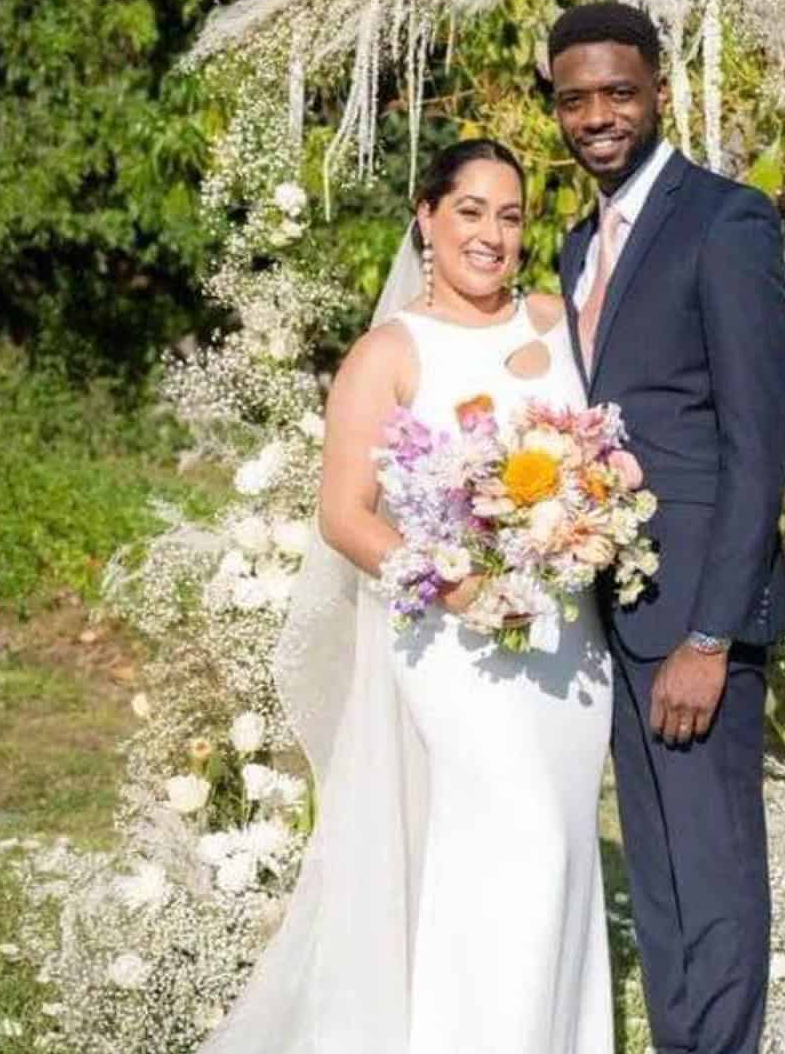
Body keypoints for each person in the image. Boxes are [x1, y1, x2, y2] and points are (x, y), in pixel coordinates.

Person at [197, 139, 616, 1053]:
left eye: (510, 216)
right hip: (454, 643)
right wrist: (454, 582)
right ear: (426, 218)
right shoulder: (388, 353)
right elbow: (344, 516)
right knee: (520, 844)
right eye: (469, 211)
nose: (491, 234)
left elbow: (602, 451)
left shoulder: (558, 322)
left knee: (561, 853)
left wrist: (589, 512)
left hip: (567, 643)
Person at [548, 1, 785, 1054]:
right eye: (575, 99)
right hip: (613, 608)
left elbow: (758, 440)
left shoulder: (725, 220)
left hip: (697, 615)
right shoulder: (575, 247)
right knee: (657, 882)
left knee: (713, 875)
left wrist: (710, 635)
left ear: (658, 89)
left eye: (618, 92)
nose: (597, 116)